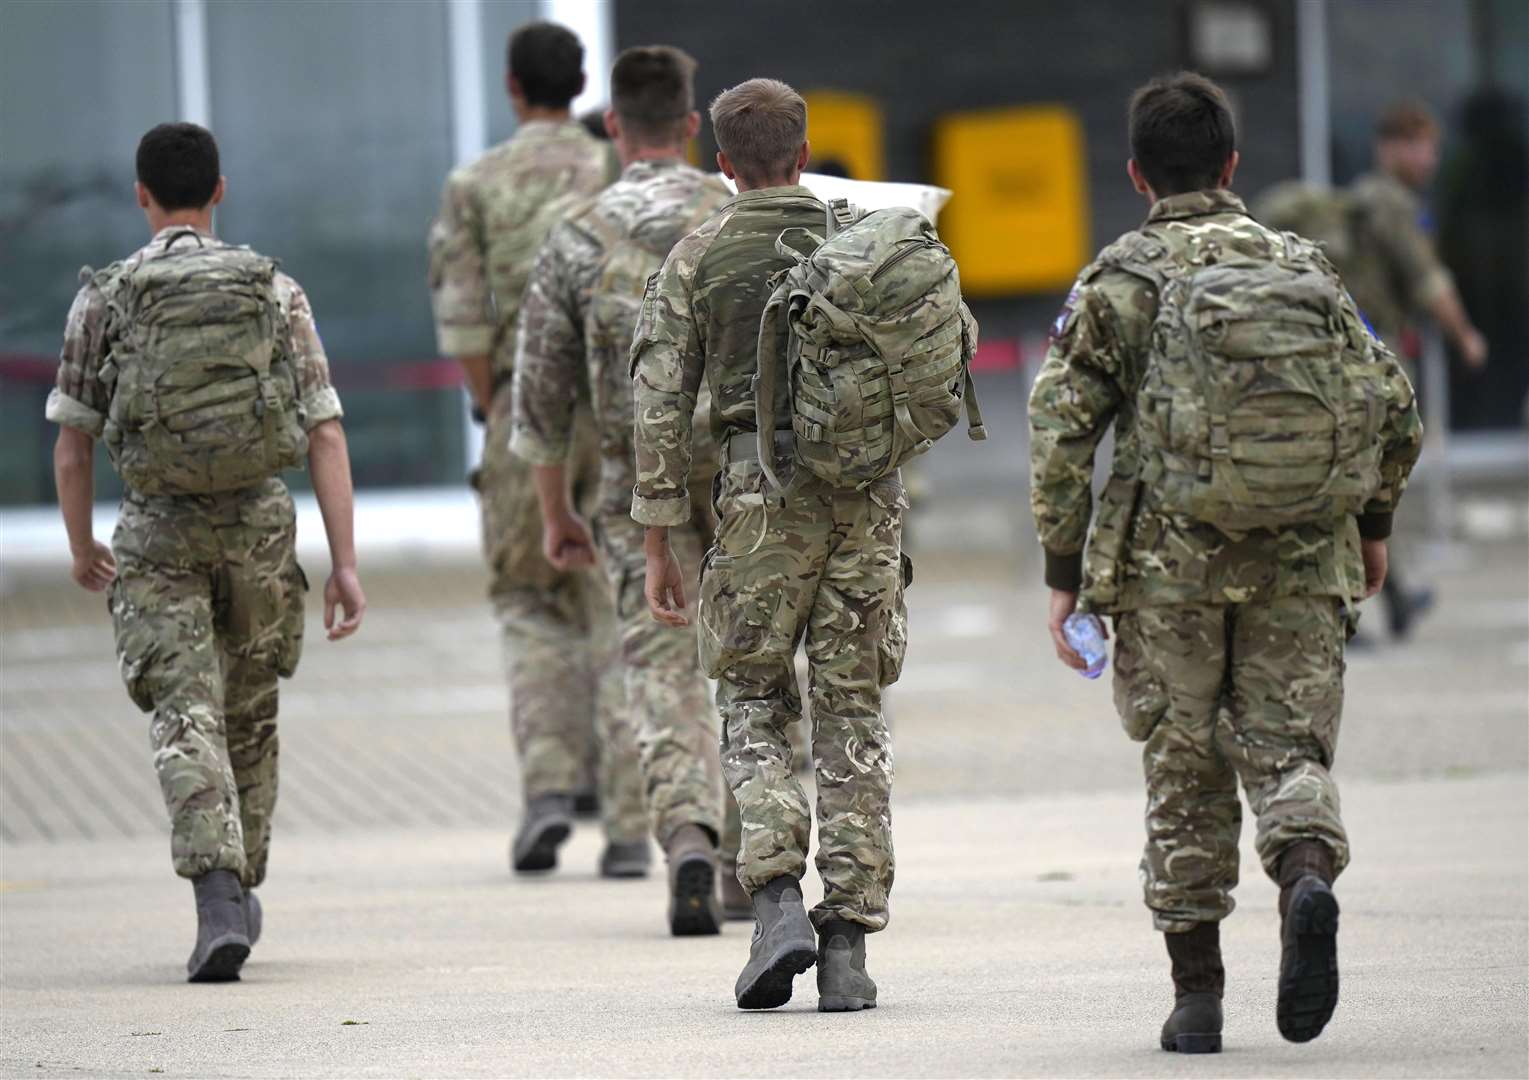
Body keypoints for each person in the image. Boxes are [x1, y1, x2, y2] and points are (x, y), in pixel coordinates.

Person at [1028, 73, 1422, 1052]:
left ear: (1133, 175)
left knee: (1183, 763)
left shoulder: (1117, 278)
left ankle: (1196, 997)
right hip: (1300, 557)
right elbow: (1392, 408)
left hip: (1167, 572)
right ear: (1233, 166)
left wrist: (1061, 572)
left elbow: (1058, 432)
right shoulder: (1302, 266)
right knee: (1283, 747)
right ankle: (1302, 878)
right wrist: (1371, 529)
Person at [47, 122, 367, 982]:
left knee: (183, 712)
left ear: (142, 195)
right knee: (250, 709)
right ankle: (242, 879)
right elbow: (325, 431)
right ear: (220, 191)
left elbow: (72, 444)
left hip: (155, 530)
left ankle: (218, 891)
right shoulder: (274, 288)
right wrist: (343, 561)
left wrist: (81, 546)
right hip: (259, 526)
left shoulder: (107, 295)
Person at [630, 78, 905, 1012]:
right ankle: (850, 947)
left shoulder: (698, 252)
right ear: (803, 150)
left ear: (722, 163)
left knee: (751, 698)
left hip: (755, 498)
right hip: (865, 501)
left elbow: (661, 401)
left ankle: (778, 895)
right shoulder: (869, 235)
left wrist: (660, 534)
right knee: (852, 708)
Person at [510, 45, 748, 935]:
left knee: (657, 668)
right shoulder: (743, 215)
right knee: (752, 667)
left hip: (631, 491)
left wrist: (552, 512)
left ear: (612, 127)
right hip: (745, 481)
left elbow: (539, 399)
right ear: (692, 127)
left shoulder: (575, 235)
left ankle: (685, 832)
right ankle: (744, 863)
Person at [427, 21, 646, 877]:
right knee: (621, 604)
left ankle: (550, 790)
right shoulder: (615, 173)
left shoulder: (473, 184)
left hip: (528, 404)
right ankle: (632, 825)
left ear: (514, 89)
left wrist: (494, 404)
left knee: (529, 599)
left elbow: (462, 317)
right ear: (580, 82)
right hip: (621, 408)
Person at [1344, 99, 1488, 637]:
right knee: (1373, 481)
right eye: (1422, 146)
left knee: (1369, 481)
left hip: (1362, 356)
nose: (1430, 158)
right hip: (1374, 360)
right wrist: (1466, 336)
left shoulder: (1373, 199)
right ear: (1393, 148)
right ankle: (1359, 607)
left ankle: (1394, 596)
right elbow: (1429, 281)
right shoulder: (1389, 203)